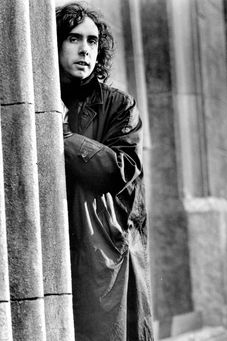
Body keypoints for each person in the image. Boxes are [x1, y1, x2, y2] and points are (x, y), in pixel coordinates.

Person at [56, 2, 154, 340]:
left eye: (93, 41)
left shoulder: (118, 104)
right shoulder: (40, 98)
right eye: (74, 38)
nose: (85, 49)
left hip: (105, 254)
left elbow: (120, 171)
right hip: (56, 240)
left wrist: (64, 137)